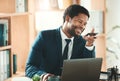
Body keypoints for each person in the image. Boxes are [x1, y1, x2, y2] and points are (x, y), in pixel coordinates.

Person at [25, 4, 97, 81]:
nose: (83, 27)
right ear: (68, 18)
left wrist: (89, 45)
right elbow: (30, 68)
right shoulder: (45, 37)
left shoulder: (82, 42)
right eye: (80, 22)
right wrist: (43, 76)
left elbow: (89, 71)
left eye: (85, 24)